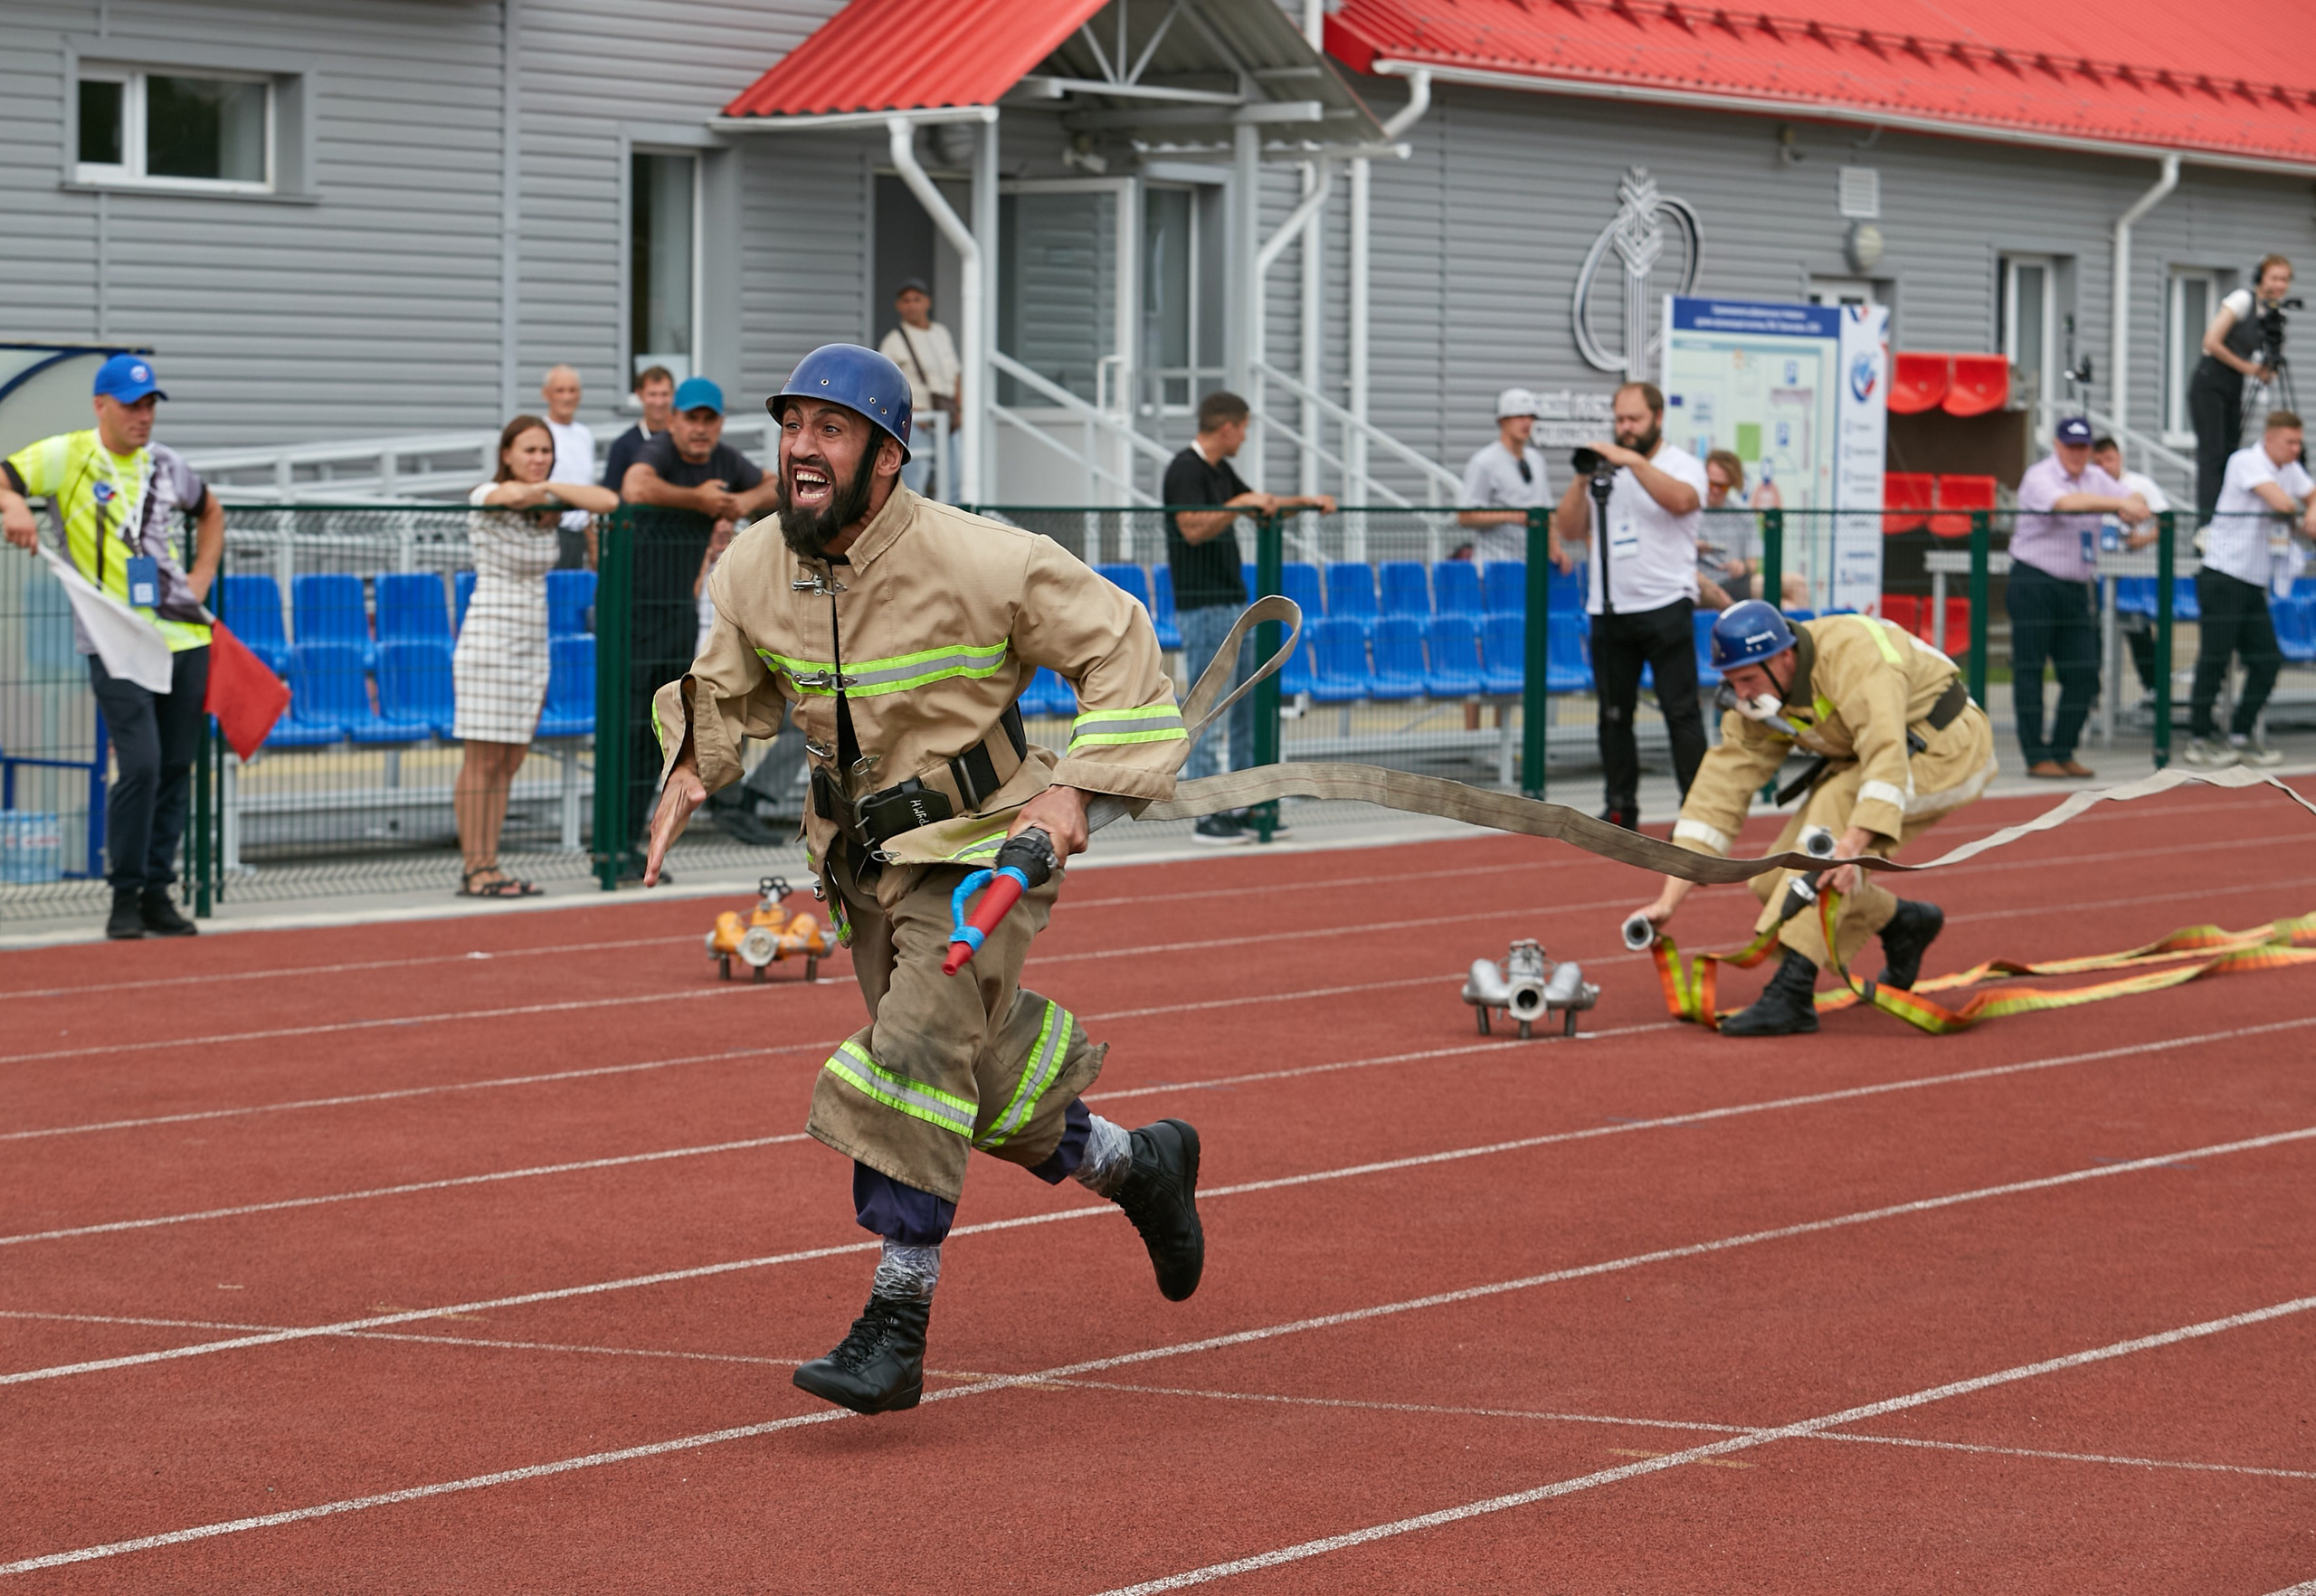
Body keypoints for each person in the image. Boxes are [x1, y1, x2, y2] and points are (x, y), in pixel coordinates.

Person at [643, 344, 1207, 1416]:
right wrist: (689, 765)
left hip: (984, 851)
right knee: (975, 1082)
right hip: (859, 868)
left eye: (830, 429)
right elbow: (734, 683)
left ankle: (895, 1324)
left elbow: (1121, 644)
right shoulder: (757, 563)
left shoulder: (986, 559)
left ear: (887, 456)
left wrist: (1076, 792)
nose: (801, 448)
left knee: (906, 1059)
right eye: (793, 426)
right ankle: (1141, 1165)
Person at [1629, 600, 1994, 1036]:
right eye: (1730, 681)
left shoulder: (1855, 655)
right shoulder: (1762, 694)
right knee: (1771, 881)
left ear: (1784, 656)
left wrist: (1853, 846)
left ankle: (1793, 993)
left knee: (1828, 824)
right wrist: (1670, 898)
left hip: (1951, 748)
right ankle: (1902, 923)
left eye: (1746, 679)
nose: (1740, 693)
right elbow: (1718, 792)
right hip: (1877, 760)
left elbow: (1885, 754)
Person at [1, 355, 219, 940]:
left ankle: (156, 891)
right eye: (130, 405)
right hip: (113, 637)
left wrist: (201, 576)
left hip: (183, 633)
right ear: (101, 406)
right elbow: (4, 476)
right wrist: (16, 504)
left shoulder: (168, 464)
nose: (142, 416)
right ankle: (123, 894)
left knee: (175, 766)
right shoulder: (68, 455)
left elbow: (211, 511)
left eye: (149, 405)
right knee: (141, 763)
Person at [619, 376, 782, 869]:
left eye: (709, 419)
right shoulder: (659, 452)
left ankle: (633, 843)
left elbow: (773, 486)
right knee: (624, 732)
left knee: (661, 731)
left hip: (676, 612)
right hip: (628, 612)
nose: (700, 428)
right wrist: (700, 501)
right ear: (673, 420)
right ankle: (612, 842)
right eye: (692, 418)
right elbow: (635, 485)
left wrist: (739, 503)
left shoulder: (724, 459)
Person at [454, 416, 619, 897]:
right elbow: (510, 496)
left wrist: (550, 488)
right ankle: (475, 868)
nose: (538, 458)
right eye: (528, 451)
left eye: (545, 451)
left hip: (532, 641)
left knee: (509, 761)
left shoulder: (548, 499)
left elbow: (608, 501)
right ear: (506, 454)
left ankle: (492, 863)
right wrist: (545, 492)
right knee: (481, 759)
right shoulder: (487, 494)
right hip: (489, 639)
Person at [1161, 389, 1334, 845]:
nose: (1245, 438)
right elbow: (1192, 528)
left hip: (1236, 603)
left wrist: (1307, 502)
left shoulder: (1219, 471)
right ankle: (1204, 811)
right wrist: (1239, 506)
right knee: (1205, 708)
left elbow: (1259, 504)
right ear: (1227, 428)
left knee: (1246, 705)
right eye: (1244, 430)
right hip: (1202, 605)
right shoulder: (1185, 469)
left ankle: (1244, 800)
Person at [1550, 380, 1710, 831]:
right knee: (1613, 716)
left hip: (1665, 604)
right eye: (1620, 419)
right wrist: (1584, 476)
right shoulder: (1606, 470)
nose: (1625, 428)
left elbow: (1682, 502)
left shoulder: (1681, 465)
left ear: (1657, 418)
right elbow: (1568, 526)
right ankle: (1621, 807)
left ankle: (1698, 816)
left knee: (1681, 714)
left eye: (1634, 419)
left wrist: (1635, 462)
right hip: (1609, 607)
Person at [2007, 416, 2149, 780]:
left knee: (2084, 672)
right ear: (2056, 445)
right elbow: (2066, 504)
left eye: (2083, 447)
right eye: (2070, 446)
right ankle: (2036, 755)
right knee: (2030, 670)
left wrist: (2133, 502)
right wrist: (2117, 504)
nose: (2077, 453)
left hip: (2075, 586)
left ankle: (2063, 749)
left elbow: (2133, 497)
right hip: (2034, 581)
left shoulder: (2095, 477)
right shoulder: (2040, 476)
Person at [2183, 411, 2316, 769]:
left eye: (2298, 442)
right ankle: (2199, 735)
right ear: (2269, 439)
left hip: (2254, 581)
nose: (2296, 449)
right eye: (2289, 442)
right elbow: (2283, 503)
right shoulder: (2245, 461)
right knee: (2214, 658)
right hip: (2224, 575)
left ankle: (2241, 733)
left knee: (2267, 660)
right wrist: (2304, 515)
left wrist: (2312, 511)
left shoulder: (2290, 469)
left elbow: (2310, 494)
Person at [2188, 255, 2294, 527]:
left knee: (2230, 453)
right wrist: (2250, 368)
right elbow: (2211, 341)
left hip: (2235, 385)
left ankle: (2226, 520)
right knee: (2213, 454)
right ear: (2260, 278)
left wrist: (2267, 364)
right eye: (2274, 278)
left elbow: (2270, 365)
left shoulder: (2272, 314)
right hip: (2211, 380)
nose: (2279, 285)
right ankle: (2207, 525)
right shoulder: (2242, 300)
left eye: (2284, 279)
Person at [2088, 435, 2169, 694]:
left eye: (2109, 459)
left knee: (2139, 633)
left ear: (2119, 458)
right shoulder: (2088, 486)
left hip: (2133, 575)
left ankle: (2154, 690)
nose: (2104, 466)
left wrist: (2143, 539)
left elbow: (2166, 521)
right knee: (2093, 635)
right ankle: (2092, 694)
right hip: (2096, 574)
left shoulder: (2139, 484)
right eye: (2097, 461)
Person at [878, 280, 960, 498]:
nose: (912, 305)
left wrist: (959, 410)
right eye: (906, 300)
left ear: (927, 303)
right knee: (916, 478)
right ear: (898, 306)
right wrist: (910, 412)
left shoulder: (941, 333)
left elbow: (955, 374)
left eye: (917, 299)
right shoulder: (893, 341)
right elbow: (886, 382)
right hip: (918, 420)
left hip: (947, 418)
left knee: (954, 479)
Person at [1456, 387, 1550, 566]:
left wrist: (1555, 549)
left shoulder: (1537, 460)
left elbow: (1547, 512)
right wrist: (1511, 516)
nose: (1527, 422)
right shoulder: (1484, 462)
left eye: (1530, 417)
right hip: (1495, 567)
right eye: (1519, 416)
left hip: (1533, 566)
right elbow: (1465, 516)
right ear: (1502, 421)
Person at [1697, 448, 1779, 606]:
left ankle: (1798, 631)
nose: (1714, 490)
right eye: (1711, 483)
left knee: (1795, 590)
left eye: (1722, 487)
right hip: (1703, 585)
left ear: (1732, 484)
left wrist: (1742, 567)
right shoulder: (1690, 509)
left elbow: (1752, 564)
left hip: (1736, 582)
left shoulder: (1742, 512)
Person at [538, 365, 597, 569]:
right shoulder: (540, 431)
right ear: (546, 394)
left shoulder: (585, 435)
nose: (567, 397)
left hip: (579, 533)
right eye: (560, 390)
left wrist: (592, 540)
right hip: (549, 530)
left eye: (572, 390)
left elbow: (587, 487)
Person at [601, 366, 676, 496]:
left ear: (673, 394)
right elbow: (612, 495)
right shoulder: (623, 445)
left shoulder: (683, 440)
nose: (658, 402)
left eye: (664, 394)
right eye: (652, 394)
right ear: (639, 395)